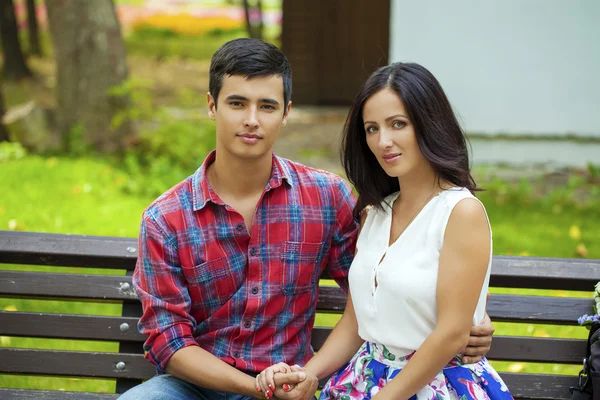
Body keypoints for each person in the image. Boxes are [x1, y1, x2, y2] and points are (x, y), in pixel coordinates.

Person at [118, 40, 494, 400]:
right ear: (212, 105)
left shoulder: (327, 199)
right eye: (237, 103)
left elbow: (381, 287)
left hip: (290, 382)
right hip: (194, 388)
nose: (251, 120)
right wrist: (257, 388)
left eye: (267, 106)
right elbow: (168, 340)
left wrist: (467, 316)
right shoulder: (166, 218)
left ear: (286, 113)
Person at [256, 62, 512, 400]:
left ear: (430, 124)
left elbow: (451, 334)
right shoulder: (376, 213)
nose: (383, 141)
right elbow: (355, 323)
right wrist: (308, 375)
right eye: (372, 128)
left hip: (436, 385)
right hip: (366, 378)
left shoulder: (460, 213)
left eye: (398, 124)